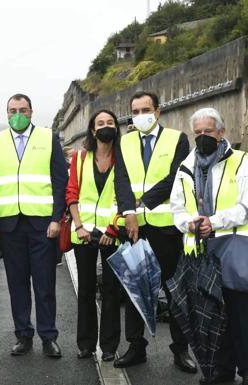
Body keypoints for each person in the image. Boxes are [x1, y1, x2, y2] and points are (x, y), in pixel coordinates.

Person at [113, 91, 196, 372]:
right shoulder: (123, 142)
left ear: (158, 111)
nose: (140, 116)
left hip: (167, 229)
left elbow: (178, 175)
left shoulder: (177, 138)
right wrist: (129, 212)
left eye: (145, 109)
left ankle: (180, 349)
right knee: (136, 288)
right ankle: (136, 347)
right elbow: (121, 180)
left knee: (174, 291)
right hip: (135, 227)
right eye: (134, 111)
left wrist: (145, 199)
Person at [0, 93, 68, 357]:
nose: (16, 114)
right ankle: (23, 335)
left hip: (42, 224)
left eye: (22, 109)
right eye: (11, 110)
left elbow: (60, 180)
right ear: (6, 113)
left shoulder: (47, 137)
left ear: (31, 112)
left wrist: (57, 218)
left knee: (45, 285)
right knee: (17, 285)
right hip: (9, 225)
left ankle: (48, 336)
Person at [170, 108, 248, 385]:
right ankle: (219, 371)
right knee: (211, 319)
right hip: (200, 255)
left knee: (241, 317)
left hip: (234, 250)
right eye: (198, 133)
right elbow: (176, 208)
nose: (203, 137)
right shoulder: (185, 167)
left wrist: (212, 221)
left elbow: (245, 207)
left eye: (209, 132)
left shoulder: (241, 162)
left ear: (222, 133)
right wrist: (189, 224)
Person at [66, 110, 122, 361]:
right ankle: (86, 344)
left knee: (111, 291)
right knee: (86, 290)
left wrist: (113, 228)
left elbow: (126, 195)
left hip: (113, 234)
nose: (105, 126)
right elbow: (72, 194)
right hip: (84, 234)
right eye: (100, 123)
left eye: (110, 123)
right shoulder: (80, 158)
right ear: (92, 130)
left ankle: (109, 346)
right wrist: (79, 227)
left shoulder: (123, 158)